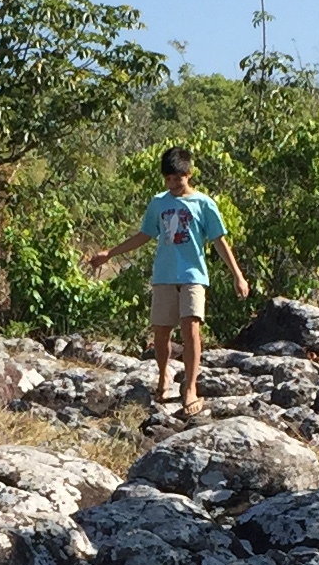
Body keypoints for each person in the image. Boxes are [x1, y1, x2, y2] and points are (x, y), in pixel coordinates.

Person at [84, 146, 250, 412]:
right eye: (169, 179)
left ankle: (190, 386)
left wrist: (238, 276)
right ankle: (164, 375)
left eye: (178, 178)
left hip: (193, 276)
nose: (173, 184)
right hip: (164, 275)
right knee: (161, 333)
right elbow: (145, 235)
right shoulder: (158, 203)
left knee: (191, 329)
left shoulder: (204, 204)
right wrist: (110, 253)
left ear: (189, 174)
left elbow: (219, 241)